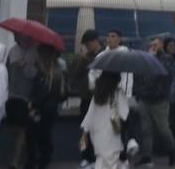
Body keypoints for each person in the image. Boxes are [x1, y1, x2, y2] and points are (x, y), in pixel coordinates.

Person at [136, 38, 175, 167]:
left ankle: (171, 150)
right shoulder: (145, 58)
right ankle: (147, 156)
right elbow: (139, 76)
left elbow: (166, 75)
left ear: (161, 45)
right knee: (146, 130)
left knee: (163, 129)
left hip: (160, 99)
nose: (153, 46)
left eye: (155, 44)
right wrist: (138, 92)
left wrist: (153, 60)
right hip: (145, 98)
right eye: (151, 44)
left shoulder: (167, 59)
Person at [28, 43, 66, 169]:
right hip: (51, 106)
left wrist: (33, 103)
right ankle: (43, 159)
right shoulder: (57, 69)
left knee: (39, 135)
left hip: (42, 107)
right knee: (44, 135)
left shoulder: (46, 71)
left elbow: (42, 91)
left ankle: (42, 160)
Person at [80, 70, 128, 169]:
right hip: (112, 133)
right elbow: (124, 114)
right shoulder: (118, 93)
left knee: (101, 161)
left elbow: (90, 114)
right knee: (112, 162)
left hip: (97, 134)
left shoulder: (97, 94)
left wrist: (85, 132)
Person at [6, 33, 40, 169]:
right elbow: (7, 70)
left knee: (22, 129)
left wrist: (24, 65)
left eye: (20, 36)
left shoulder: (34, 52)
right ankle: (28, 152)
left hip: (26, 96)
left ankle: (16, 160)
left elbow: (34, 74)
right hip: (12, 94)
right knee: (12, 128)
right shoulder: (13, 50)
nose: (17, 38)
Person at [69, 30, 102, 169]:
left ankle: (95, 157)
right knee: (84, 130)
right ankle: (85, 156)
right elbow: (74, 75)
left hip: (98, 99)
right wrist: (80, 59)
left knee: (97, 130)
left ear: (95, 41)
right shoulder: (85, 57)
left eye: (88, 44)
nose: (87, 47)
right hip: (86, 98)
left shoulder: (103, 55)